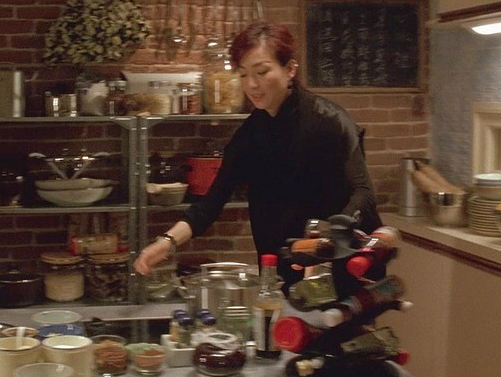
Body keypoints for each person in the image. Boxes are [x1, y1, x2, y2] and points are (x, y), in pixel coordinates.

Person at [134, 20, 383, 289]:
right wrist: (167, 242)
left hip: (343, 264)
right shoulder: (251, 134)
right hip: (282, 268)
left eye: (262, 72)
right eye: (243, 75)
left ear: (290, 69)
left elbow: (364, 193)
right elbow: (211, 203)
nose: (251, 84)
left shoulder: (328, 121)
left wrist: (333, 237)